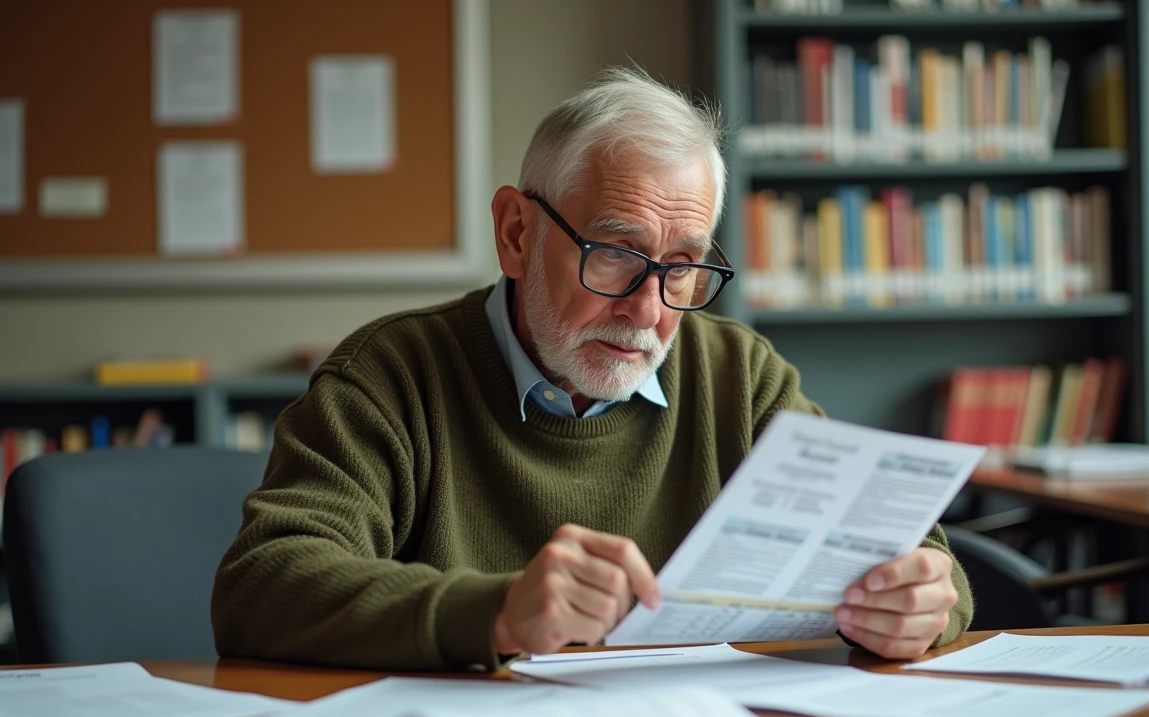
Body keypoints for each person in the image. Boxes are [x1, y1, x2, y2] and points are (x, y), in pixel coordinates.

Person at [211, 68, 972, 670]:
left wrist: (923, 603)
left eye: (682, 267)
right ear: (516, 233)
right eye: (614, 254)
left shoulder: (740, 378)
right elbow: (262, 586)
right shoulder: (389, 378)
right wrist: (497, 612)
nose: (649, 312)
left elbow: (913, 554)